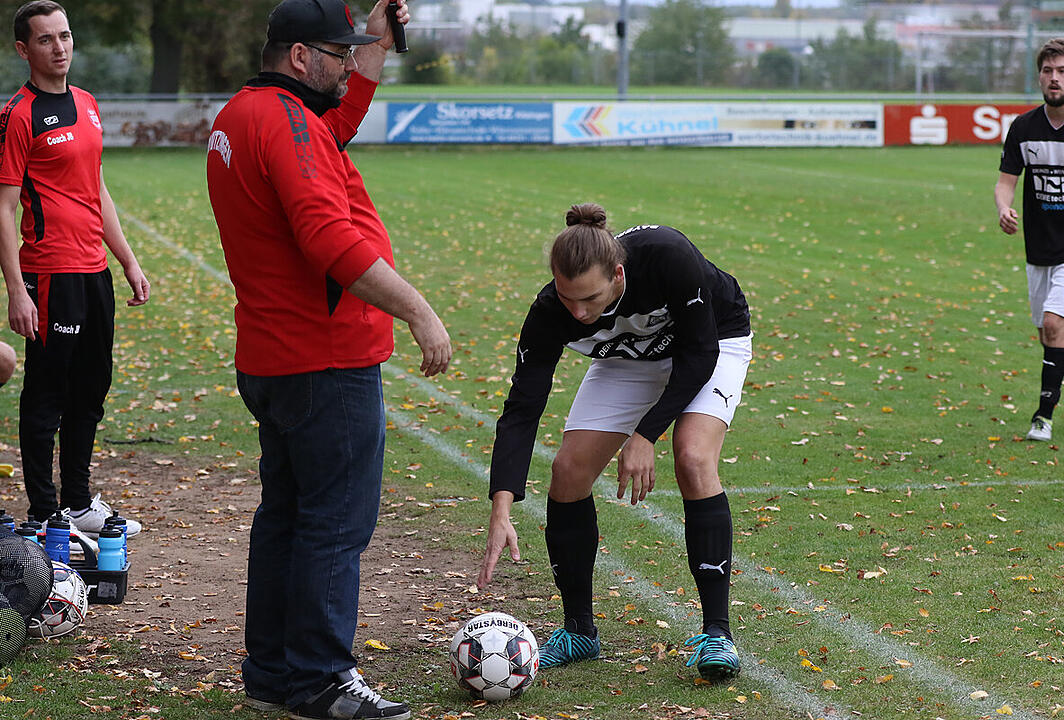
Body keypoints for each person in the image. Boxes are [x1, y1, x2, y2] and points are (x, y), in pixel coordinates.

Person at [206, 1, 450, 718]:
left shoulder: (249, 114)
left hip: (275, 357)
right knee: (334, 525)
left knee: (286, 518)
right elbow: (330, 243)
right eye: (338, 54)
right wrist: (418, 310)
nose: (350, 64)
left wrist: (376, 32)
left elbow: (337, 122)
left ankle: (274, 673)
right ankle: (319, 678)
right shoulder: (286, 123)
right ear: (300, 58)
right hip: (325, 360)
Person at [478, 203, 753, 683]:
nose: (580, 314)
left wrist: (646, 434)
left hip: (708, 342)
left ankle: (718, 633)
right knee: (568, 472)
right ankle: (580, 631)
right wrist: (502, 505)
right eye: (569, 300)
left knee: (692, 457)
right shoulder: (551, 311)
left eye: (590, 299)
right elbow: (522, 410)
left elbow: (700, 353)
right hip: (628, 358)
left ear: (619, 275)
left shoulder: (667, 255)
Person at [0, 1, 149, 534]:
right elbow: (5, 206)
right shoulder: (18, 114)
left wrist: (127, 260)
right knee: (47, 393)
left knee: (91, 388)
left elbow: (96, 188)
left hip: (93, 273)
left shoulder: (87, 103)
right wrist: (16, 290)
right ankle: (43, 512)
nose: (60, 47)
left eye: (65, 36)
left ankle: (80, 500)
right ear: (25, 49)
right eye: (46, 40)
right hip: (48, 275)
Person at [997, 37, 1064, 442]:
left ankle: (1043, 417)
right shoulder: (1024, 127)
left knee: (1052, 324)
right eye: (1048, 70)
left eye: (1062, 70)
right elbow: (1005, 181)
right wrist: (1003, 208)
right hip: (1039, 247)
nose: (1054, 77)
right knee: (1049, 335)